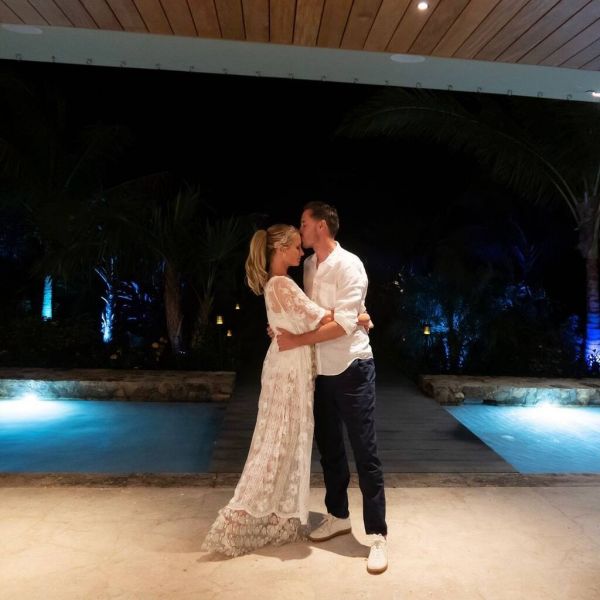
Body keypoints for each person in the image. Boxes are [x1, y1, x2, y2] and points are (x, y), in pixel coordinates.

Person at [201, 224, 334, 556]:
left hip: (285, 363)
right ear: (280, 249)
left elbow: (296, 321)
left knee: (280, 437)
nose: (300, 251)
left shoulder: (275, 284)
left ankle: (275, 513)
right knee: (280, 438)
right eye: (295, 246)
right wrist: (356, 315)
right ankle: (242, 516)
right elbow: (321, 318)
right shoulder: (283, 284)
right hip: (288, 369)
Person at [276, 201, 388, 574]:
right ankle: (337, 515)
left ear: (321, 226)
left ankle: (377, 535)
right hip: (320, 371)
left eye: (304, 223)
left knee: (365, 451)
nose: (300, 229)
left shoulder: (349, 265)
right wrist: (284, 326)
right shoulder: (309, 265)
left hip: (353, 366)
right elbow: (312, 313)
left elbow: (341, 326)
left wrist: (298, 339)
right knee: (330, 450)